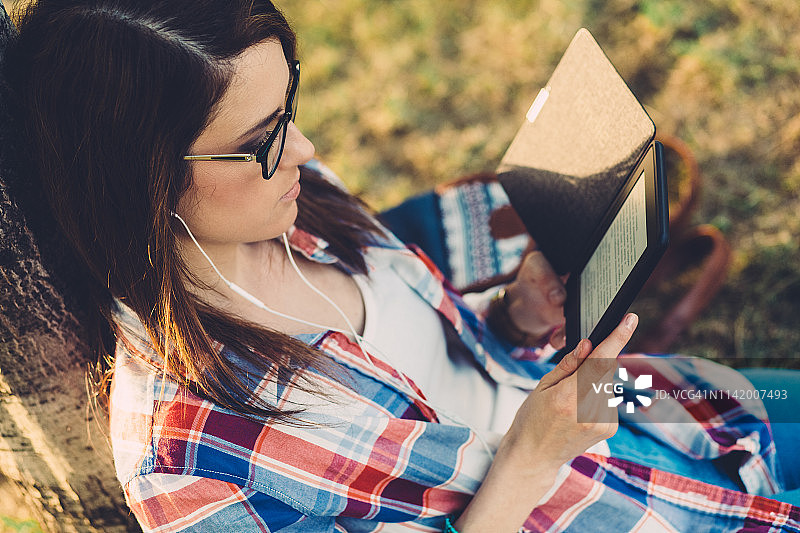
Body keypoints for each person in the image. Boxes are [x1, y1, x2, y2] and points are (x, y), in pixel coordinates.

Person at [4, 0, 800, 531]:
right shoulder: (181, 461)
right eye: (261, 141)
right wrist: (527, 457)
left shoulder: (295, 197)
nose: (307, 153)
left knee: (777, 405)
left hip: (605, 396)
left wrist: (512, 322)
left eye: (291, 109)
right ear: (136, 180)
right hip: (588, 503)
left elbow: (432, 364)